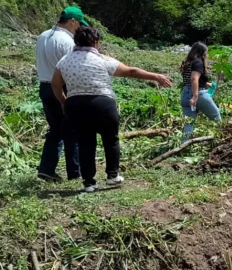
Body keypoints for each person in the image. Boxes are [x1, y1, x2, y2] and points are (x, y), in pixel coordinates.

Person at [51, 27, 173, 192]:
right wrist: (155, 76)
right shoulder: (101, 59)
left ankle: (88, 183)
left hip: (76, 105)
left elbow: (55, 84)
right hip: (102, 104)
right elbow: (130, 71)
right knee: (111, 139)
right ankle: (112, 176)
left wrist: (64, 101)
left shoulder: (64, 61)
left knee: (85, 143)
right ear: (96, 42)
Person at [35, 6, 89, 182]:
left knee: (55, 130)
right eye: (79, 23)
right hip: (63, 88)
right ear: (72, 21)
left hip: (45, 87)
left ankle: (46, 169)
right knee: (72, 130)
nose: (79, 27)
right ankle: (75, 172)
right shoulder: (67, 41)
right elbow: (72, 68)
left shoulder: (43, 36)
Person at [180, 42, 220, 141]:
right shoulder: (198, 62)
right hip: (198, 94)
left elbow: (192, 79)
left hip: (185, 94)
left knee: (188, 123)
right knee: (216, 117)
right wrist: (195, 96)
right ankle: (222, 140)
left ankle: (182, 146)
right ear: (202, 53)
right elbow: (194, 79)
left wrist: (207, 83)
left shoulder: (187, 63)